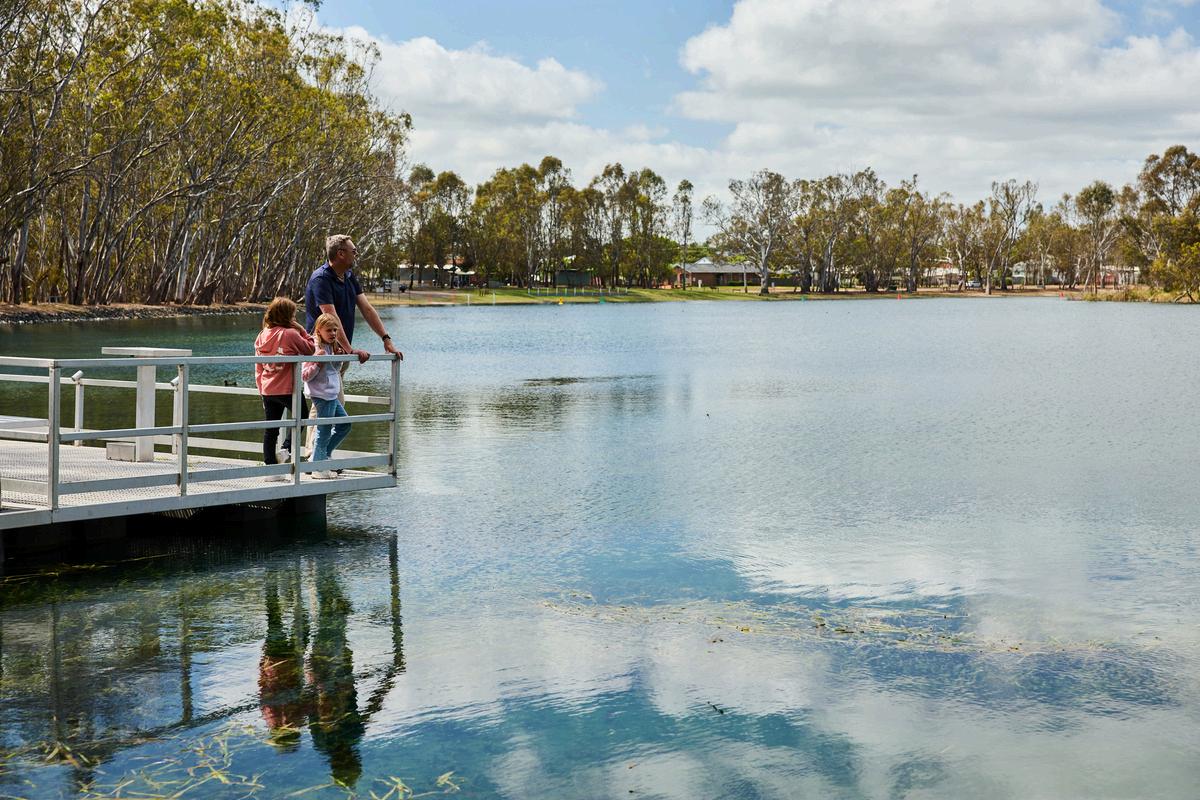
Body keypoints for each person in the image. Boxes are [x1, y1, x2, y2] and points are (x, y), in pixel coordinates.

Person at [254, 297, 315, 478]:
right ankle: (286, 448)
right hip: (287, 388)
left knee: (271, 428)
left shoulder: (262, 335)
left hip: (267, 388)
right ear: (287, 316)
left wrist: (261, 390)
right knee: (302, 416)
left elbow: (258, 367)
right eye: (293, 315)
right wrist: (302, 329)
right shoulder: (290, 334)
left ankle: (270, 469)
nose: (295, 318)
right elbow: (311, 349)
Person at [302, 314, 352, 479]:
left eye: (335, 330)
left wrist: (339, 357)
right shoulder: (313, 348)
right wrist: (318, 363)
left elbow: (334, 371)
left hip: (332, 394)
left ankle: (323, 456)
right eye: (329, 330)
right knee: (323, 430)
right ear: (319, 330)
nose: (333, 333)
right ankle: (318, 468)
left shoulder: (332, 346)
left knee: (344, 424)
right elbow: (305, 376)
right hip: (321, 395)